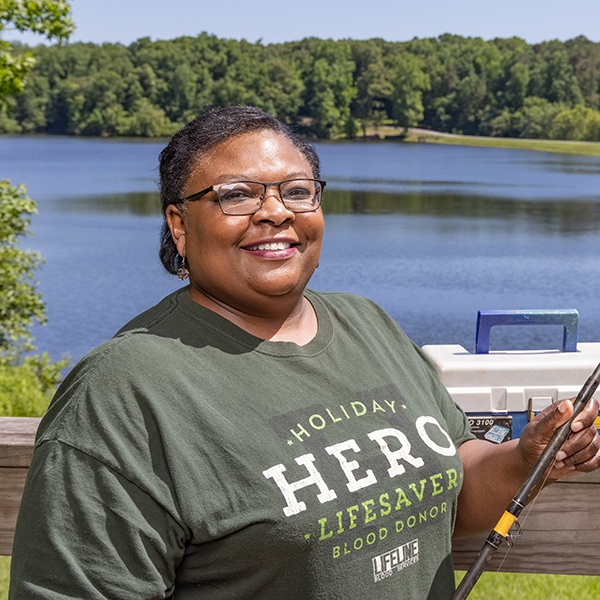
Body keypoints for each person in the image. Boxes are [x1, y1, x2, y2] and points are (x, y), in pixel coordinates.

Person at [9, 106, 600, 600]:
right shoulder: (121, 391)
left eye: (297, 191)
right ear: (179, 224)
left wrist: (526, 458)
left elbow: (458, 493)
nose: (275, 211)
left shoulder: (366, 323)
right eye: (236, 195)